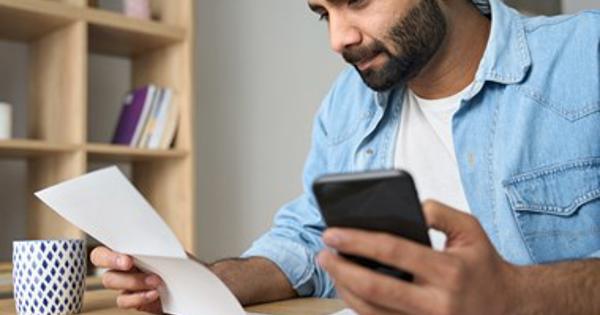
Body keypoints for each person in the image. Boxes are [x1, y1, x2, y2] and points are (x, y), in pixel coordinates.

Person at [91, 0, 600, 314]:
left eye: (356, 0)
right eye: (323, 14)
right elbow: (311, 238)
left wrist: (515, 295)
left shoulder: (586, 52)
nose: (339, 39)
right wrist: (204, 283)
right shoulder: (347, 102)